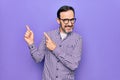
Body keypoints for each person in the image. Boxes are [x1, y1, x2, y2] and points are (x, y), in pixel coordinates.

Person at [24, 5, 82, 80]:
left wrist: (54, 48)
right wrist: (31, 43)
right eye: (66, 20)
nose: (70, 24)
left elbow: (74, 65)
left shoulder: (78, 39)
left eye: (72, 20)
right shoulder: (48, 36)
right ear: (58, 20)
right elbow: (38, 59)